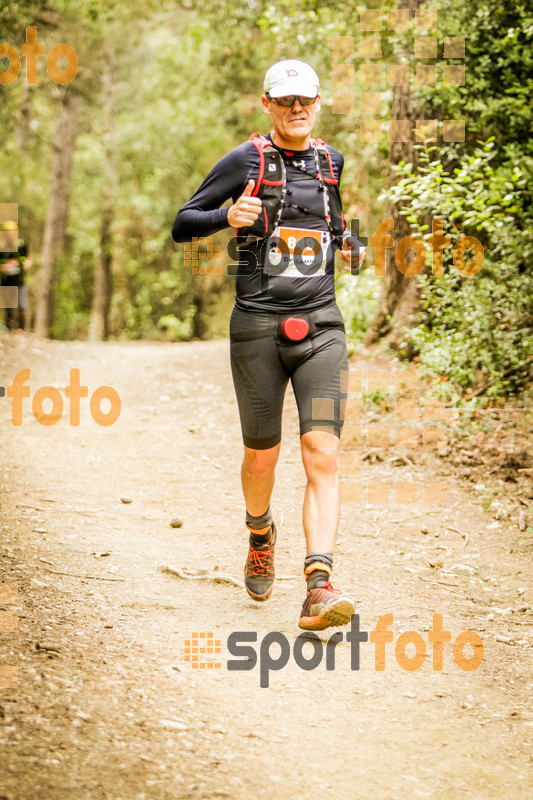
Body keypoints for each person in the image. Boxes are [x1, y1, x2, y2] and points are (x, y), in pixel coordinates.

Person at [172, 59, 365, 631]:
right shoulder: (246, 159)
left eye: (306, 99)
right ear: (267, 104)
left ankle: (319, 585)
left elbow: (331, 223)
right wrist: (226, 214)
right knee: (262, 455)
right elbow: (184, 222)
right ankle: (260, 532)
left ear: (318, 101)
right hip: (256, 328)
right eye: (286, 101)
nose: (297, 109)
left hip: (321, 327)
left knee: (322, 453)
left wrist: (352, 244)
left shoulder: (331, 163)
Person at [1, 237, 31, 331]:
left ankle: (21, 331)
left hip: (20, 283)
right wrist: (6, 267)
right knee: (9, 312)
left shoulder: (21, 246)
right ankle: (9, 331)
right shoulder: (2, 248)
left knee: (22, 307)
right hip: (6, 283)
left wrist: (26, 263)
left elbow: (28, 259)